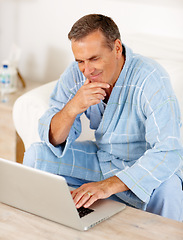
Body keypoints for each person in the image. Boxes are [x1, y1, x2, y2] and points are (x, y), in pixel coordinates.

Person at [23, 14, 183, 221]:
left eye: (94, 58)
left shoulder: (150, 78)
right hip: (103, 161)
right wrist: (73, 108)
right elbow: (54, 137)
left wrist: (107, 186)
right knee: (37, 155)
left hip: (140, 167)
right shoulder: (76, 74)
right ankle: (43, 226)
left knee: (169, 186)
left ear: (117, 48)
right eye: (80, 61)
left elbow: (169, 150)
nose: (87, 70)